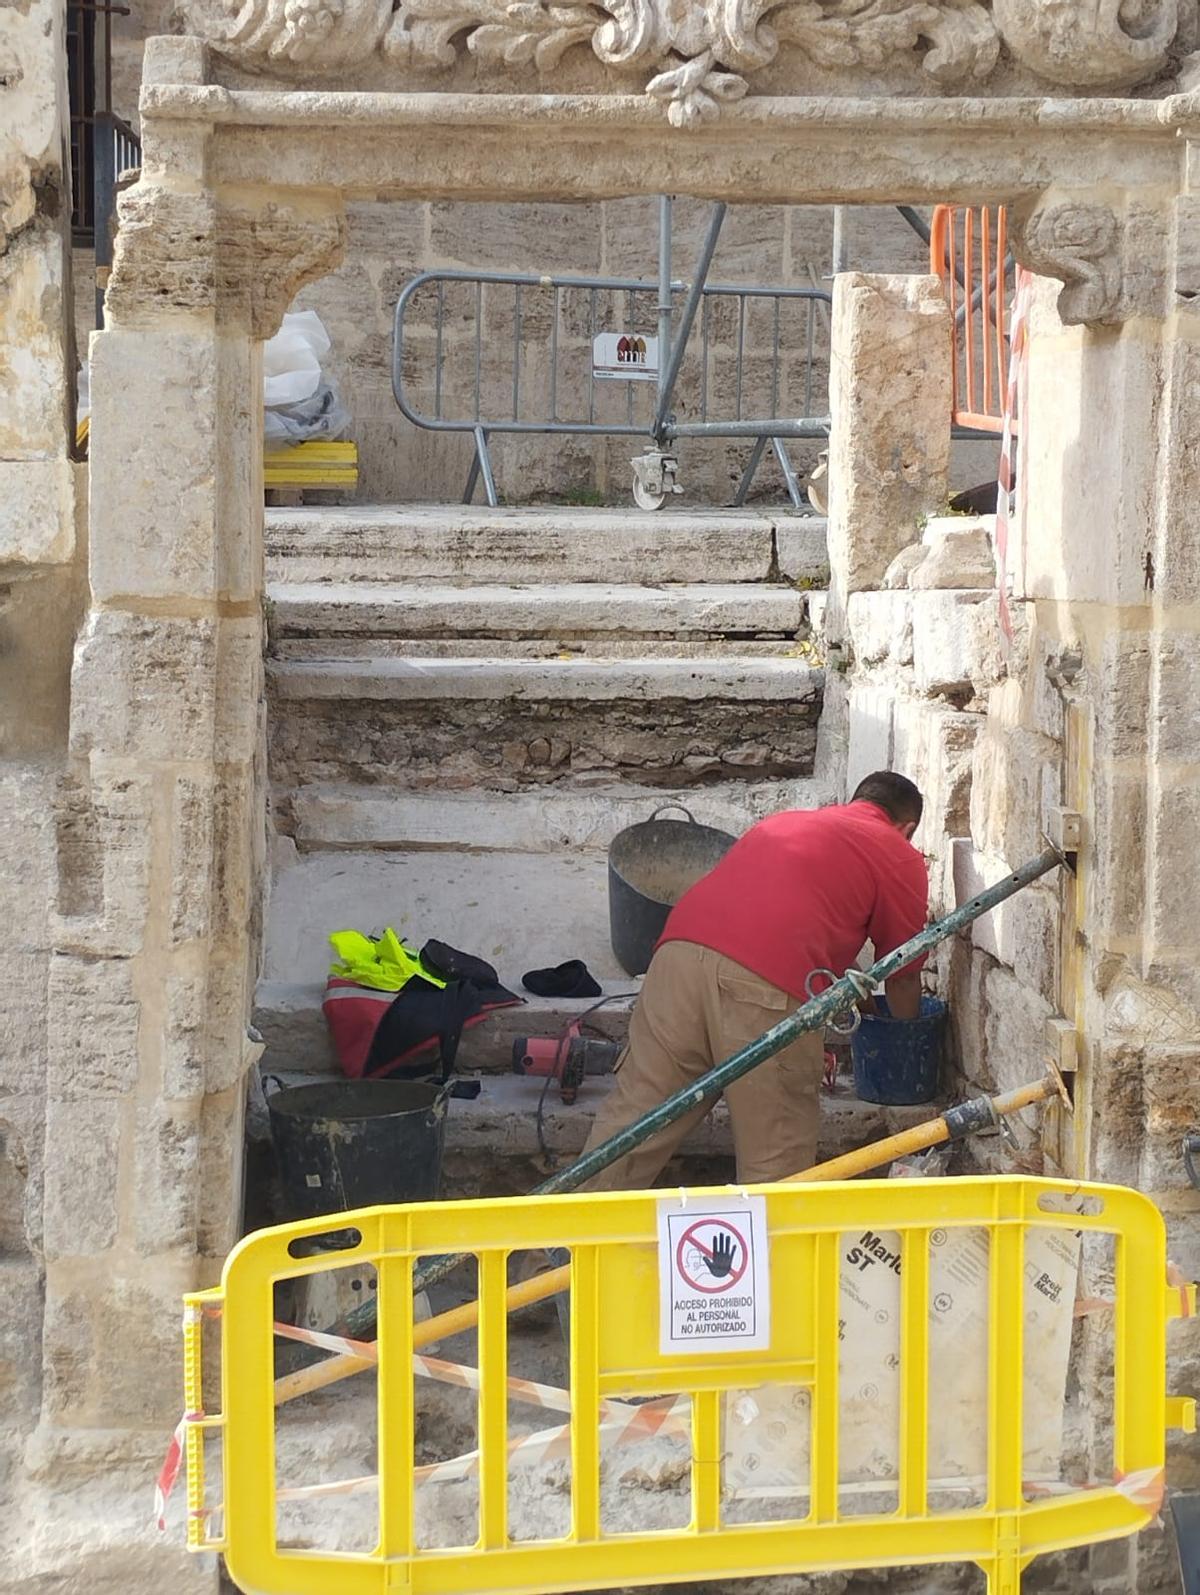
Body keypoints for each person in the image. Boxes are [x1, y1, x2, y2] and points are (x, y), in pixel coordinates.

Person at [582, 771, 929, 1190]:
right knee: (776, 1158)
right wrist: (901, 1044)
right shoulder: (896, 852)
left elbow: (806, 920)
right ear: (906, 828)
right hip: (761, 989)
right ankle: (777, 1256)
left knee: (631, 1129)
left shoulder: (784, 823)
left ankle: (555, 1251)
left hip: (674, 960)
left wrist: (863, 1004)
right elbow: (903, 973)